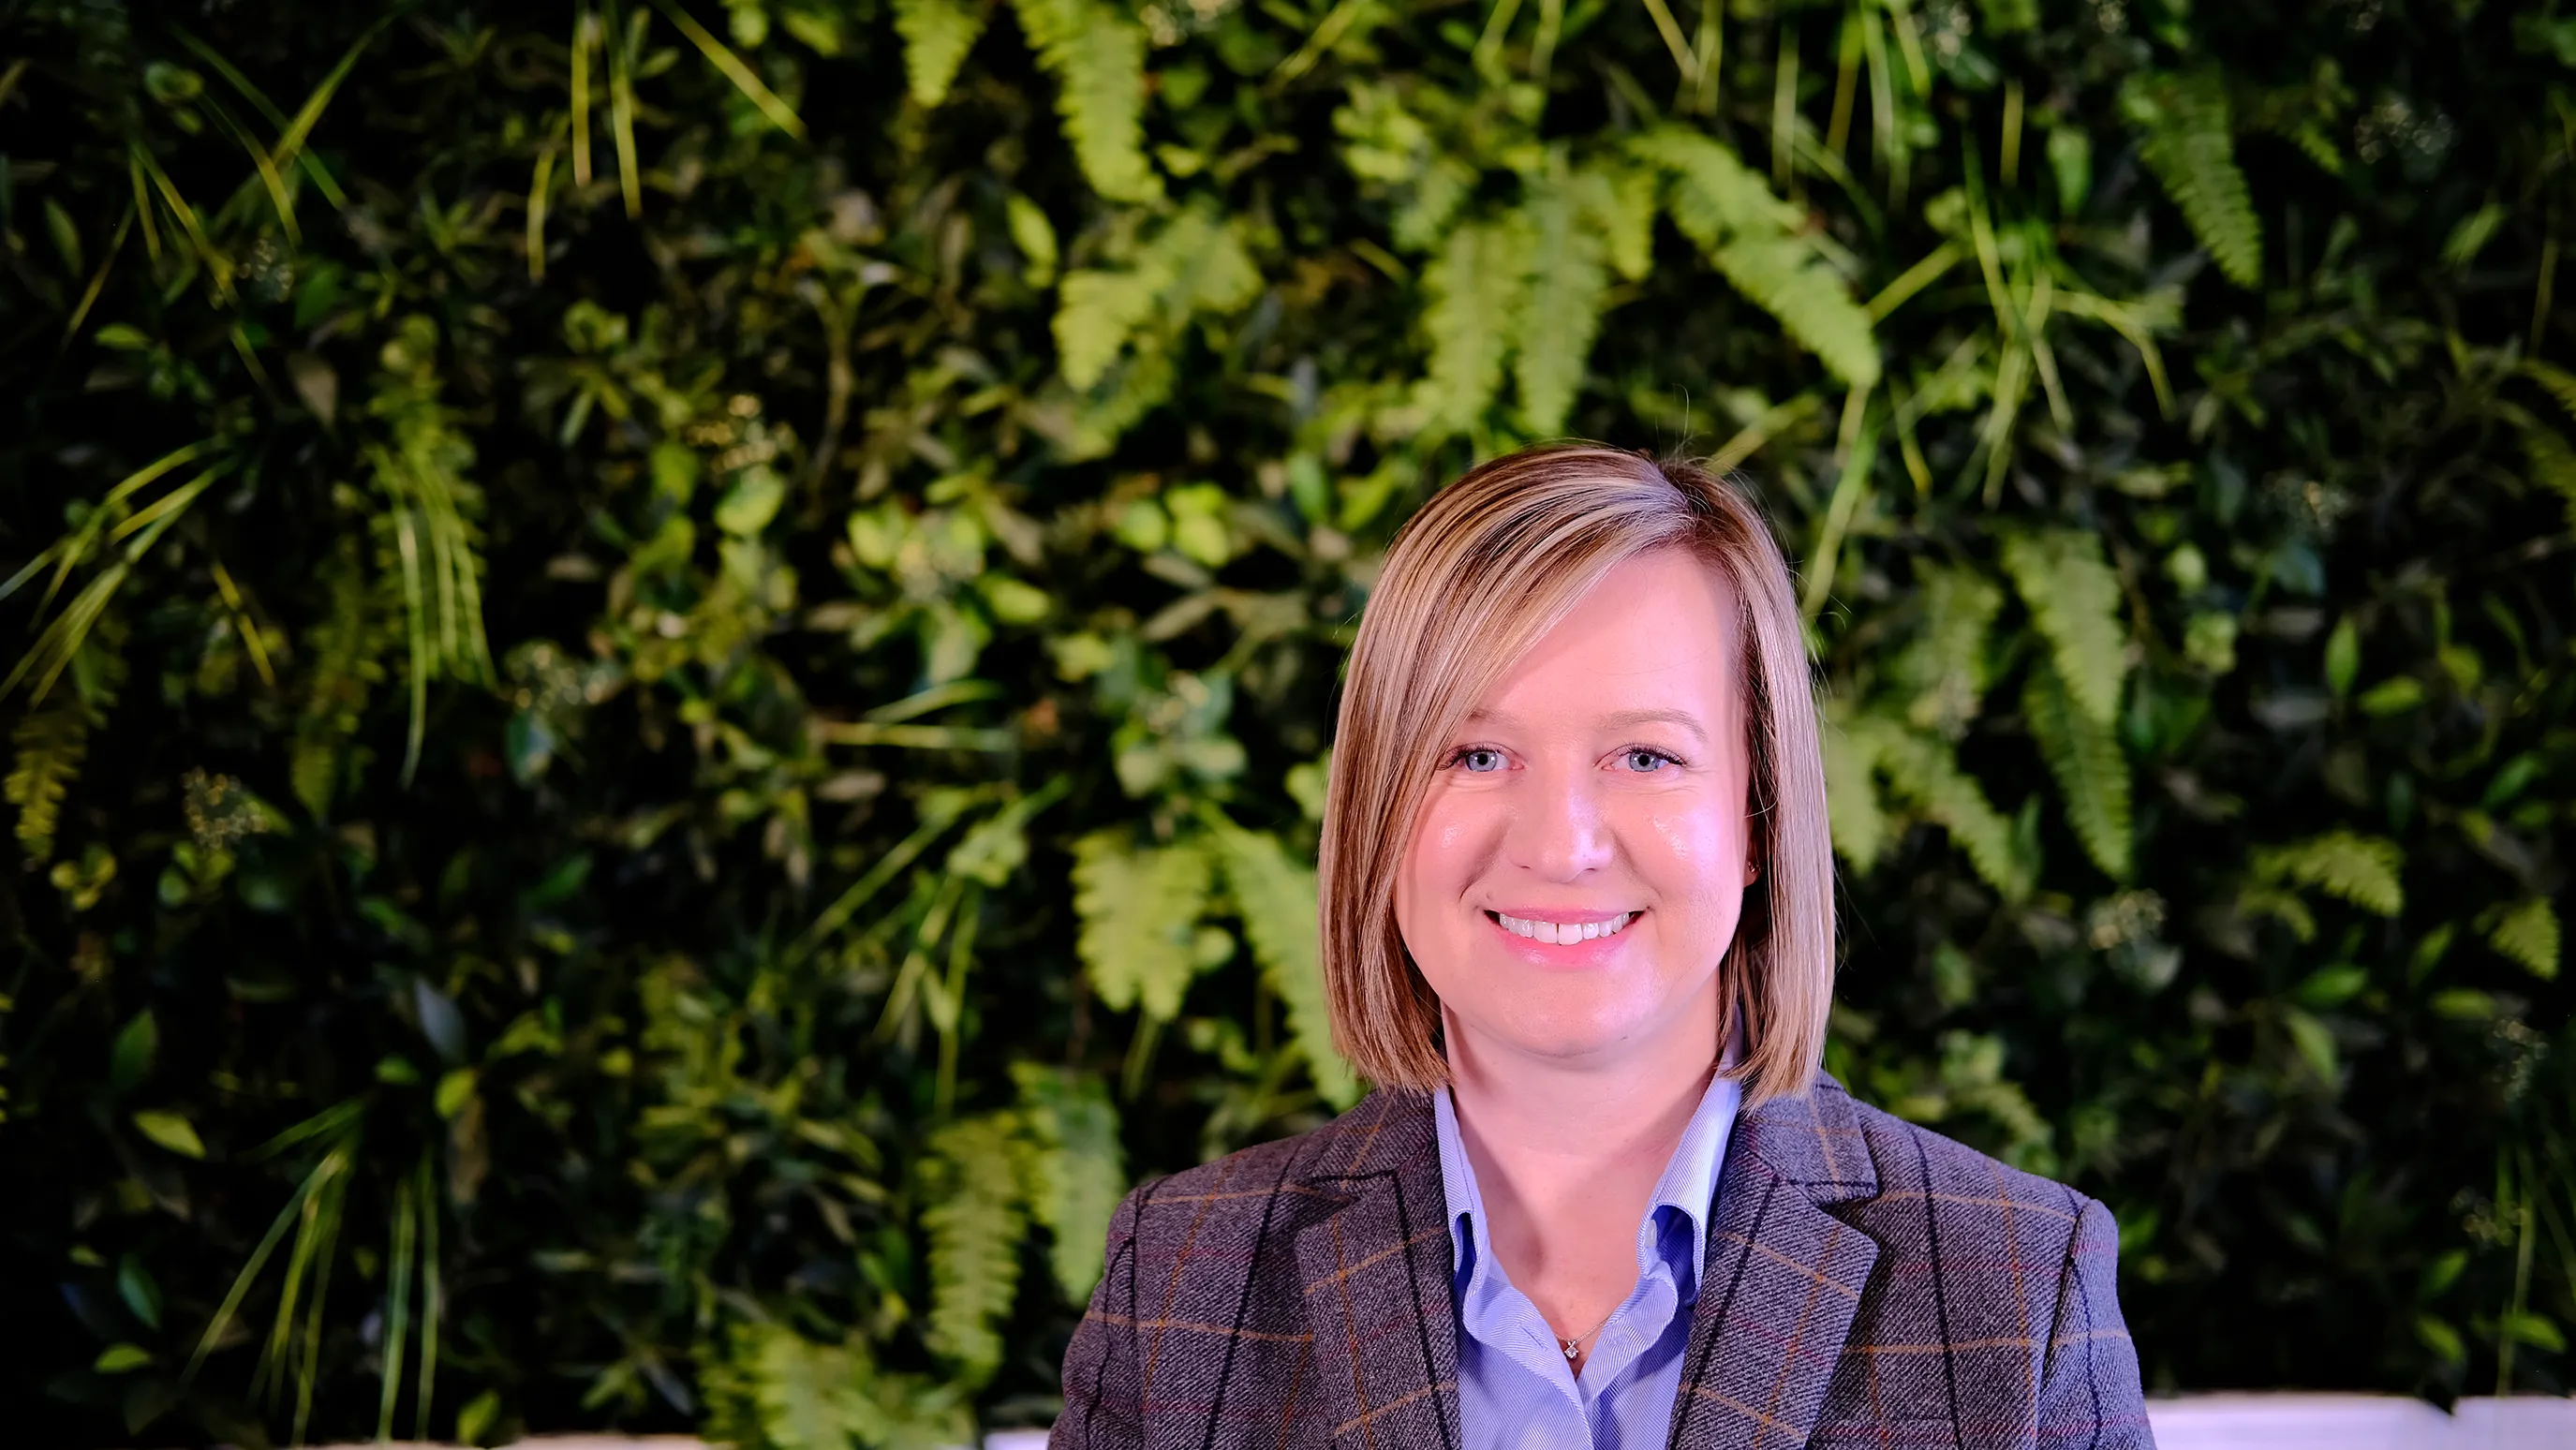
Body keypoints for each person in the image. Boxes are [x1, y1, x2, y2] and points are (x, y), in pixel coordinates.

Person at [1051, 444, 2152, 1449]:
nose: (1559, 846)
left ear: (1759, 817)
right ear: (1378, 810)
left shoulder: (2013, 1289)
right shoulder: (1181, 1288)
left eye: (1643, 757)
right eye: (1474, 755)